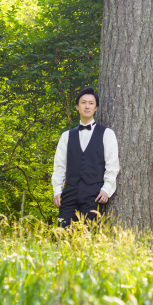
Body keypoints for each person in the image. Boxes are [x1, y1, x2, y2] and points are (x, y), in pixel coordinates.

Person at [51, 87, 119, 227]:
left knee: (89, 235)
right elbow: (59, 166)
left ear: (96, 108)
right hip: (69, 194)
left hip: (94, 195)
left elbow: (112, 165)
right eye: (83, 102)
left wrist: (107, 189)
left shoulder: (107, 134)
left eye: (91, 103)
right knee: (62, 234)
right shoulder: (66, 136)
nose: (87, 106)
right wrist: (57, 190)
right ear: (77, 106)